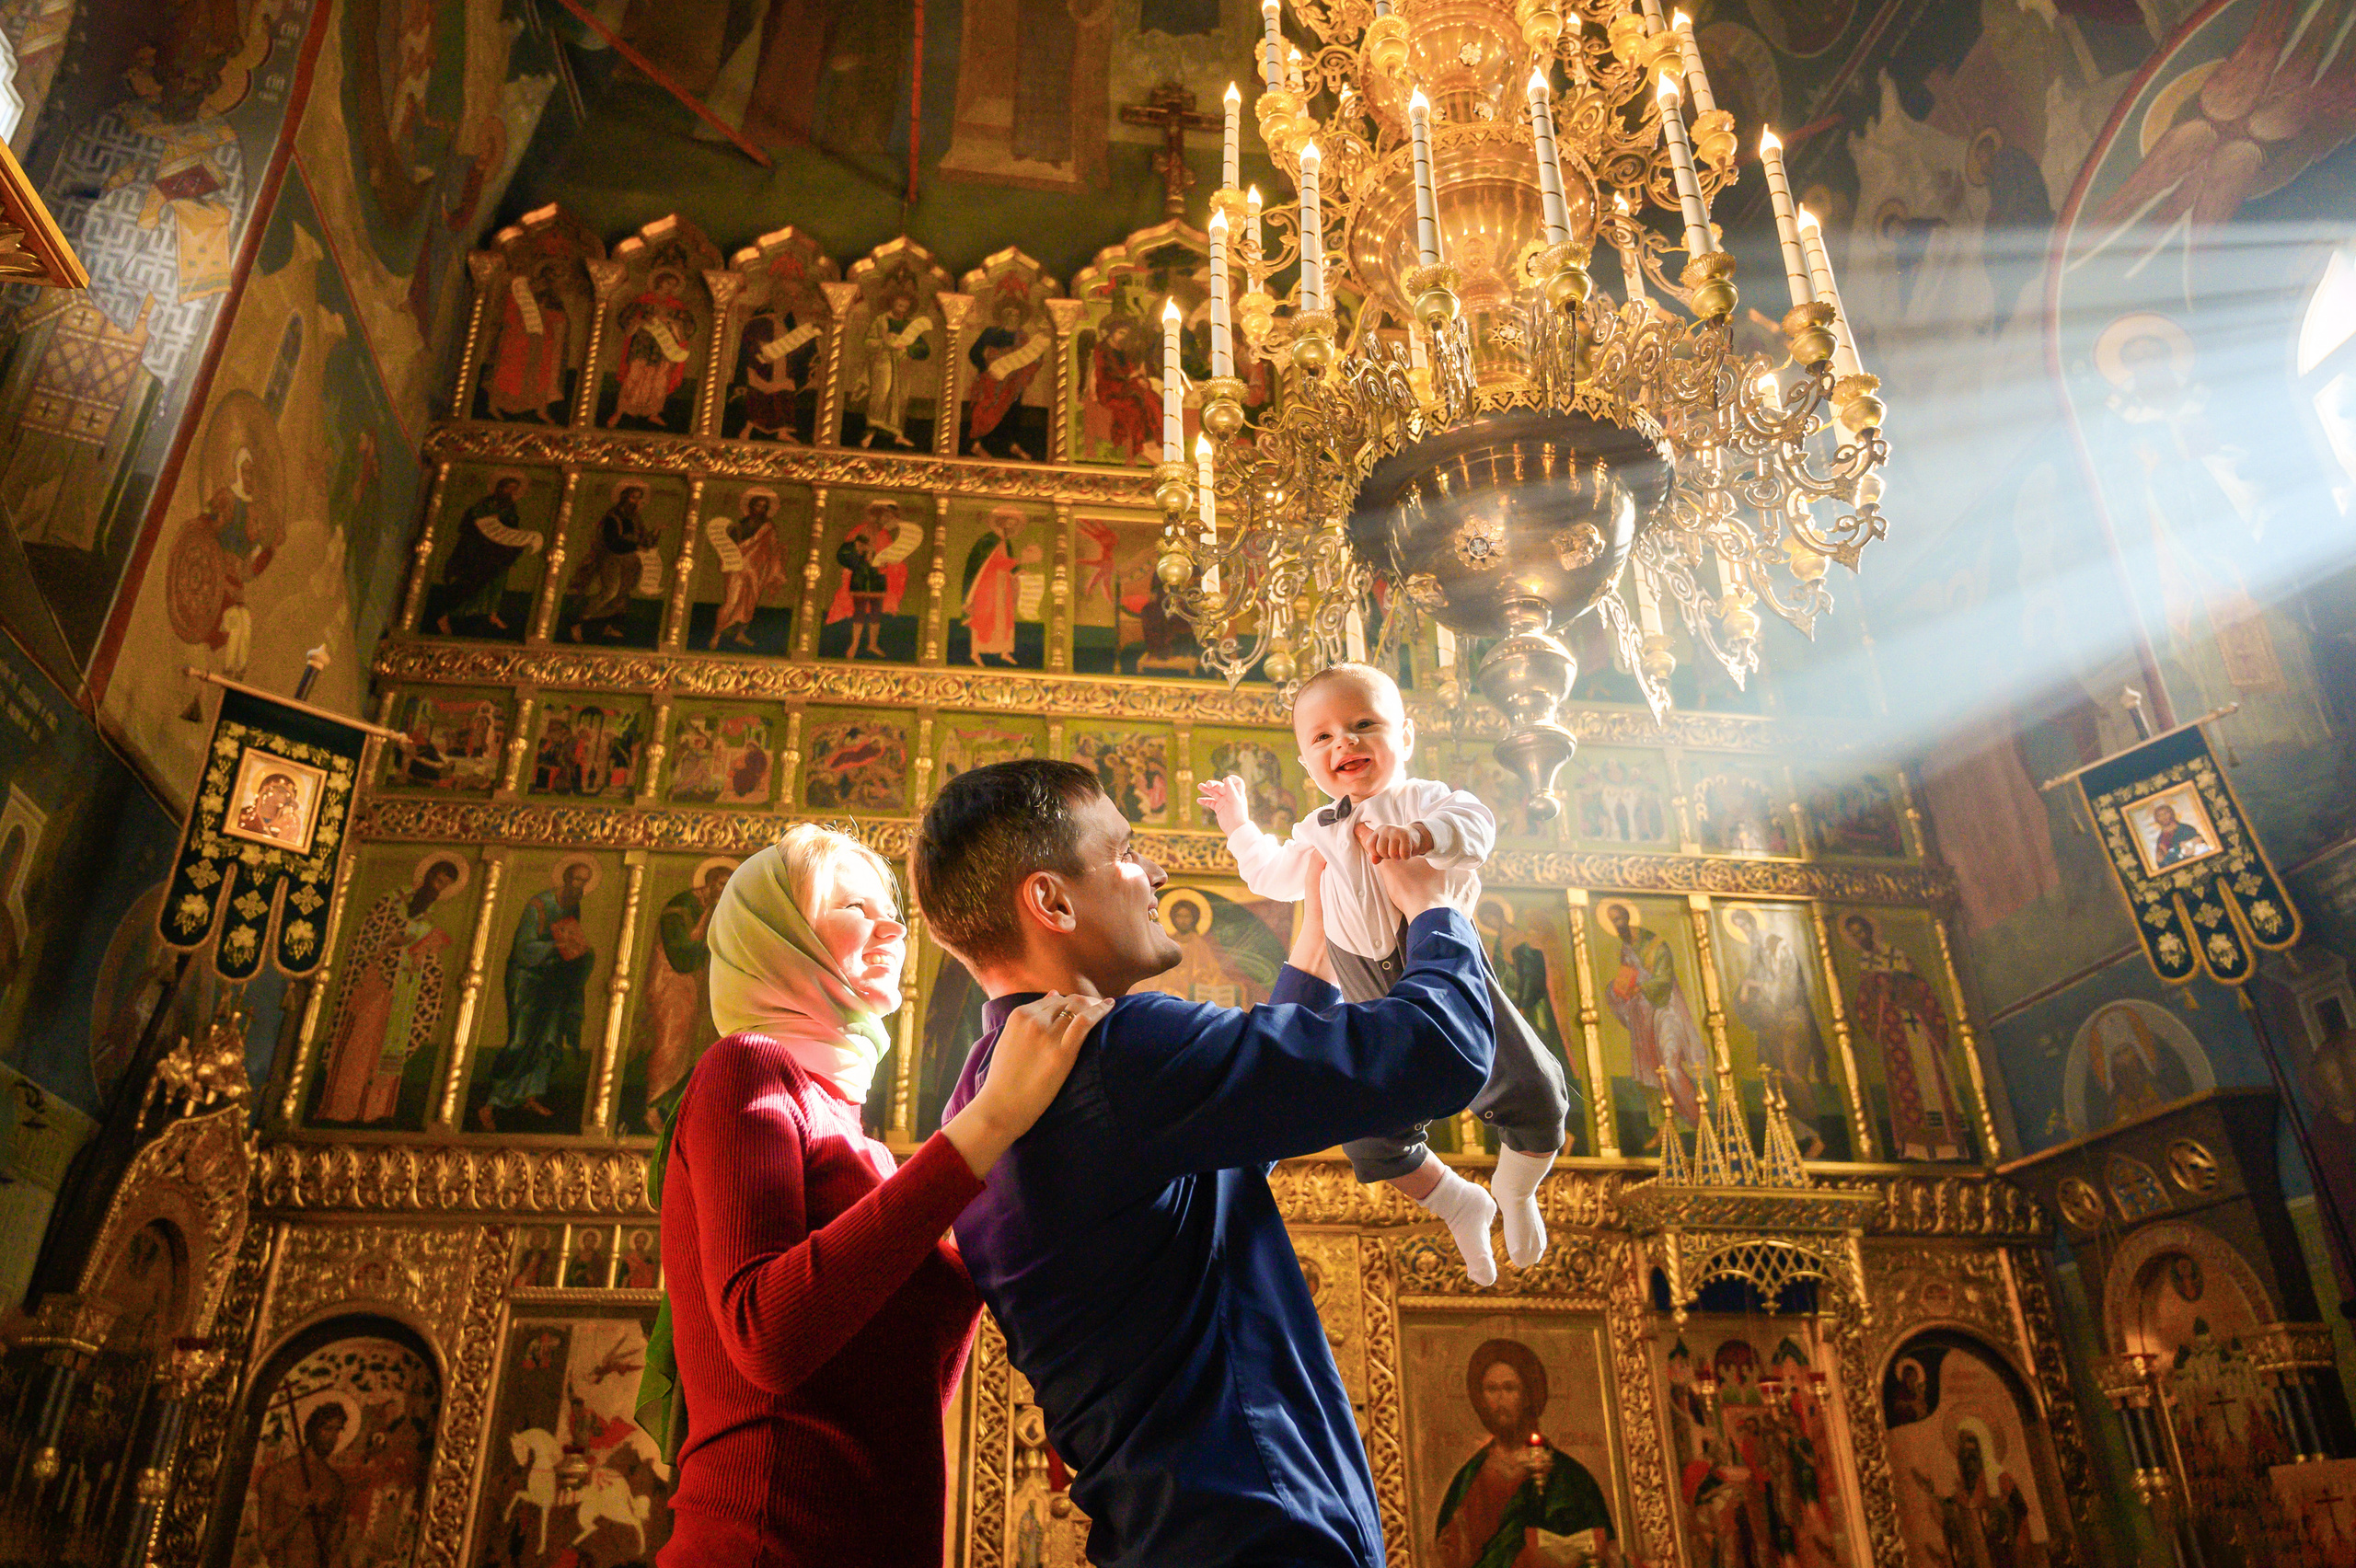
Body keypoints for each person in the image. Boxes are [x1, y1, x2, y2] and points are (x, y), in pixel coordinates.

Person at [924, 758, 1496, 1567]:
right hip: (1259, 1536)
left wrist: (1313, 949)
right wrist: (1437, 910)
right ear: (1051, 900)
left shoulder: (988, 1094)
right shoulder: (1117, 1051)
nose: (1155, 872)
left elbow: (1219, 1165)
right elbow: (1438, 1053)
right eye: (1125, 852)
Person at [649, 824, 1107, 1567]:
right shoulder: (748, 1069)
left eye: (890, 906)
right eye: (855, 905)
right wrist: (990, 1120)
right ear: (777, 936)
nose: (892, 924)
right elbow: (767, 1335)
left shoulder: (862, 1147)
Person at [1201, 663, 1568, 1285]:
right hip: (1365, 988)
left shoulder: (1424, 800)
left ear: (1407, 736)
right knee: (1369, 1139)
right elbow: (1269, 876)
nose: (1343, 742)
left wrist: (1424, 835)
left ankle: (1515, 1183)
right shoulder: (1316, 830)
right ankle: (1458, 1201)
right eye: (1321, 737)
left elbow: (1477, 827)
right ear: (1305, 760)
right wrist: (1239, 826)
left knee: (1536, 1093)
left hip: (1440, 965)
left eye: (1363, 724)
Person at [1435, 1340, 1617, 1568]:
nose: (1499, 1399)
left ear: (1528, 1396)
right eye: (1491, 1389)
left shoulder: (1570, 1477)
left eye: (1509, 1388)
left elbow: (1602, 1550)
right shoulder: (1468, 1479)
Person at [434, 475, 542, 633]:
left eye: (514, 489)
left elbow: (510, 528)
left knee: (498, 581)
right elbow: (472, 522)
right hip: (480, 552)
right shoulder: (485, 504)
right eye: (508, 488)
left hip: (500, 553)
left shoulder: (510, 507)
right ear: (499, 488)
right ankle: (447, 616)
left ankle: (492, 613)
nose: (511, 492)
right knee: (476, 584)